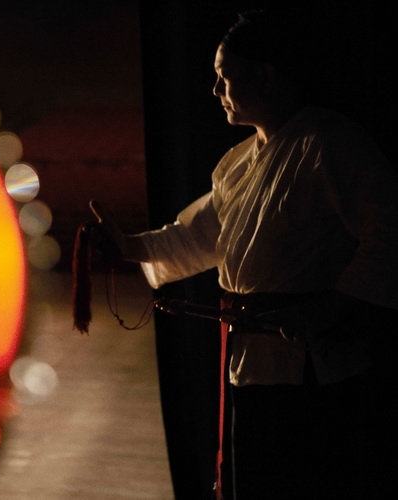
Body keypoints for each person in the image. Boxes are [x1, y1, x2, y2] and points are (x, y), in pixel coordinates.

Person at [91, 8, 398, 500]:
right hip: (252, 362)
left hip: (311, 366)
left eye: (225, 77)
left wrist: (335, 307)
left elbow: (390, 228)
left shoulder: (329, 143)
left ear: (267, 77)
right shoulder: (238, 164)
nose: (216, 90)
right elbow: (198, 236)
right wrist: (127, 248)